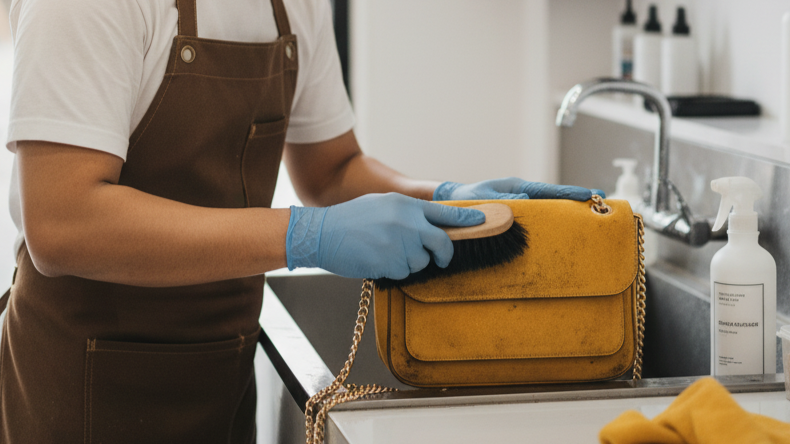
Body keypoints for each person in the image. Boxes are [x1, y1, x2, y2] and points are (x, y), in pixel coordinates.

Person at [0, 0, 601, 442]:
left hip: (220, 377)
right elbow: (63, 221)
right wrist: (306, 234)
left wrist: (444, 195)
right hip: (83, 393)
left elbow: (332, 169)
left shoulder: (294, 6)